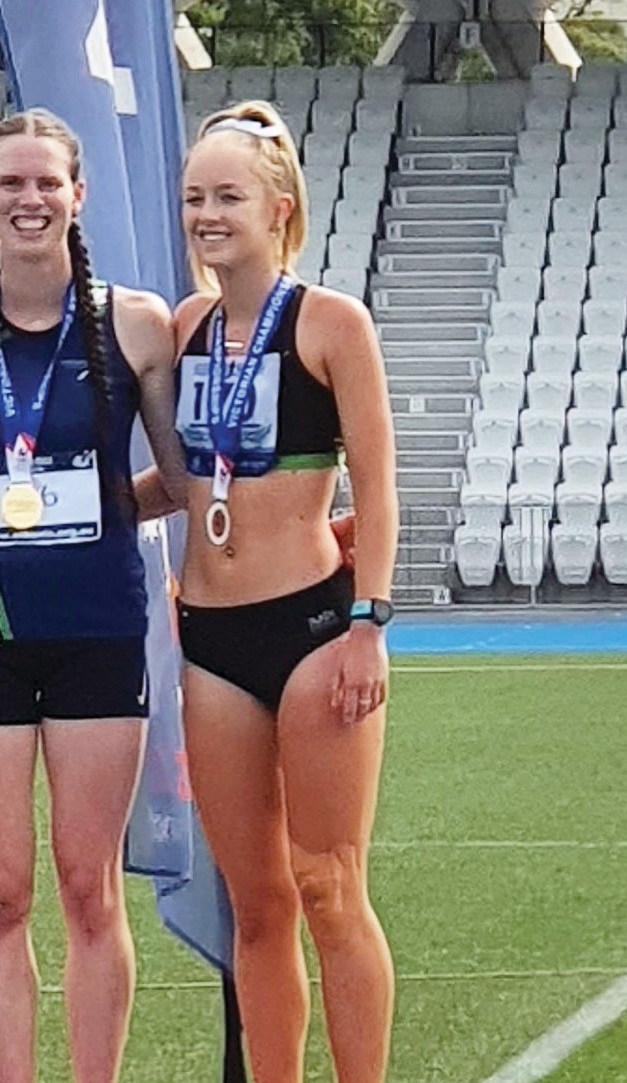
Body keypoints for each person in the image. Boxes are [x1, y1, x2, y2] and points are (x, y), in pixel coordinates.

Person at [0, 108, 187, 1083]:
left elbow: (177, 480)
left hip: (97, 629)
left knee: (88, 889)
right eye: (9, 183)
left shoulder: (134, 323)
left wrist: (99, 509)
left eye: (45, 182)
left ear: (76, 195)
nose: (28, 199)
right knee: (1, 891)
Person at [169, 101, 398, 1083]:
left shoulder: (330, 322)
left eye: (227, 196)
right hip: (208, 641)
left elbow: (380, 488)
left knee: (327, 885)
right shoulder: (186, 326)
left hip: (311, 628)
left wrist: (368, 624)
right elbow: (178, 480)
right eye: (193, 199)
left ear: (278, 208)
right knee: (252, 903)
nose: (207, 215)